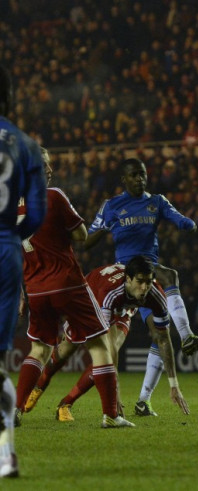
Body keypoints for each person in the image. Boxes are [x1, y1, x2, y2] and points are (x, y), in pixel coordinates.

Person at [15, 148, 134, 430]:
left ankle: (15, 410)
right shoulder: (53, 195)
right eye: (44, 165)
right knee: (99, 344)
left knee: (38, 350)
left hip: (35, 288)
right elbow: (81, 236)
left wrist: (20, 292)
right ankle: (111, 415)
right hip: (67, 284)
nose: (49, 170)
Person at [84, 158, 198, 417]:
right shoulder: (112, 206)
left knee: (159, 334)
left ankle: (143, 400)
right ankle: (186, 336)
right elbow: (86, 242)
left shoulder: (157, 202)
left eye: (142, 174)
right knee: (170, 275)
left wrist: (189, 224)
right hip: (127, 276)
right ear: (124, 179)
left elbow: (179, 218)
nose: (140, 179)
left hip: (149, 272)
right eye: (134, 175)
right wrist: (105, 225)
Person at [24, 256, 189, 421]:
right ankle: (39, 386)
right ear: (129, 279)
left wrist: (174, 385)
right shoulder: (110, 292)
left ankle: (65, 404)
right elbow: (106, 342)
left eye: (149, 282)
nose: (145, 287)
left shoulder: (155, 295)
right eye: (140, 281)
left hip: (122, 310)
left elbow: (163, 339)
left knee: (107, 355)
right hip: (89, 299)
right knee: (66, 351)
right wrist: (115, 393)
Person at [0, 64, 47, 479]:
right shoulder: (26, 144)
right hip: (6, 251)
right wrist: (13, 238)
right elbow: (38, 213)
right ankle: (6, 456)